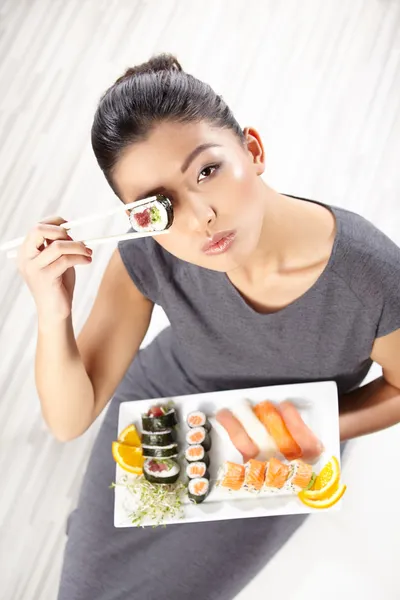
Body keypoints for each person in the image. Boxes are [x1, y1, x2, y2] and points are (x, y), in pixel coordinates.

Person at [17, 54, 400, 600]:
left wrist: (297, 433)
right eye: (159, 205)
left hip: (286, 440)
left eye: (207, 170)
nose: (200, 217)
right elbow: (67, 418)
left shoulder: (372, 277)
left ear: (254, 150)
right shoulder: (149, 255)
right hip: (170, 400)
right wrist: (53, 311)